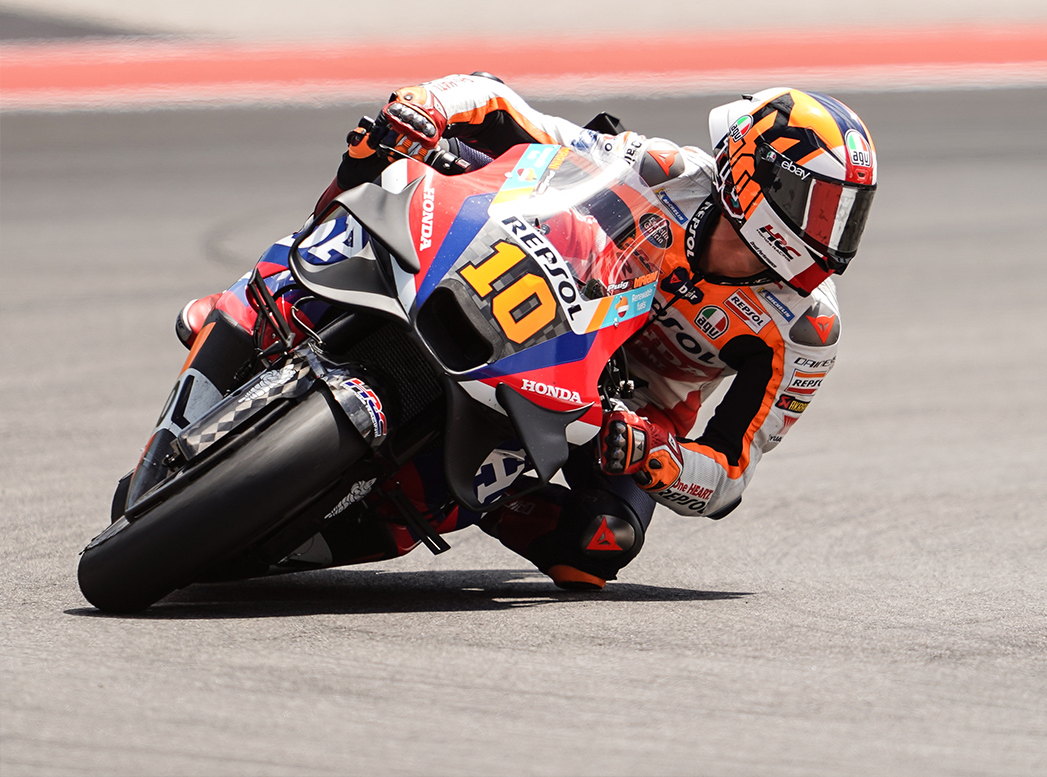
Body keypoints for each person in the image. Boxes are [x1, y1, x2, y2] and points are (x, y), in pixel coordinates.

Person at [168, 73, 877, 590]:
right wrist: (430, 108)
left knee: (600, 547)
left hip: (619, 410)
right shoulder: (665, 171)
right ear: (754, 175)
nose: (828, 236)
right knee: (383, 157)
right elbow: (509, 111)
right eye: (816, 207)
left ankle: (463, 500)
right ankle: (258, 298)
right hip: (540, 302)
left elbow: (727, 477)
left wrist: (652, 453)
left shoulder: (805, 328)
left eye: (846, 216)